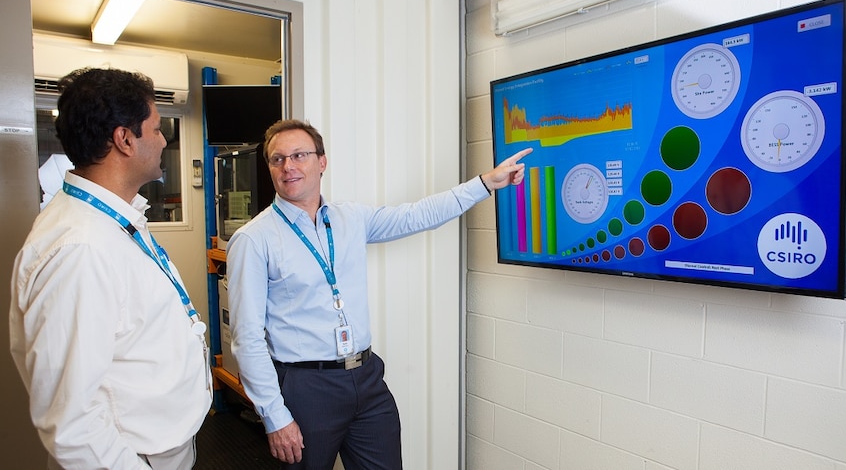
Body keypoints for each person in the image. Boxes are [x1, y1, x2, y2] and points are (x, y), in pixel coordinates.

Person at [226, 118, 531, 468]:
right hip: (306, 388)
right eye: (277, 159)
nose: (288, 166)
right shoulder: (254, 239)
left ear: (321, 161)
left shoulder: (349, 219)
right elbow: (246, 339)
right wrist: (275, 416)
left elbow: (417, 215)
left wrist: (485, 184)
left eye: (299, 155)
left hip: (366, 378)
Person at [9, 67, 212, 469]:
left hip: (159, 444)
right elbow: (72, 424)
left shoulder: (113, 221)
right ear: (124, 139)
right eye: (155, 129)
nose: (163, 140)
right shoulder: (81, 248)